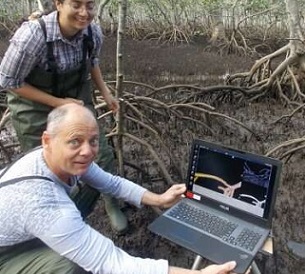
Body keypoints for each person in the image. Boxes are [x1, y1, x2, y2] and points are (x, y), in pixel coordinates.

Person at [0, 104, 237, 274]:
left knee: (90, 189)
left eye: (93, 141)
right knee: (69, 266)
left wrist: (161, 199)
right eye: (75, 141)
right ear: (47, 141)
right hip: (5, 254)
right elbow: (110, 262)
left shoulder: (59, 159)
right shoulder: (45, 206)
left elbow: (111, 183)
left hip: (23, 228)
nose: (87, 151)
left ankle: (71, 238)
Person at [0, 0, 127, 233]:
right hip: (34, 109)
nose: (84, 13)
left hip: (76, 98)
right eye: (76, 5)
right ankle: (57, 220)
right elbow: (8, 81)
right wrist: (59, 104)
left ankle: (111, 204)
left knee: (101, 156)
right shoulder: (33, 36)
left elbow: (92, 63)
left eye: (90, 6)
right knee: (47, 167)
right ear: (59, 4)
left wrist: (106, 94)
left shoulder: (92, 32)